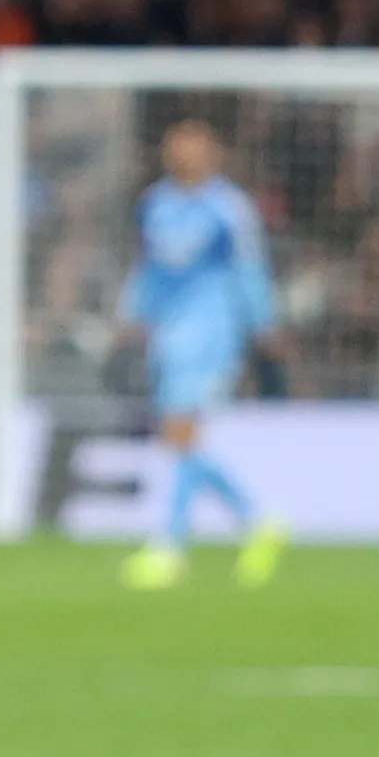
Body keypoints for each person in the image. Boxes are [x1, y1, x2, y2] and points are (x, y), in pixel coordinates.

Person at [119, 118, 286, 589]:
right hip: (169, 335)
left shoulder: (230, 208)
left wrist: (263, 323)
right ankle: (258, 523)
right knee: (181, 440)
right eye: (176, 146)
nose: (182, 155)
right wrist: (134, 313)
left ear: (212, 154)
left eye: (193, 147)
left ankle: (170, 549)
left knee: (181, 433)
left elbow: (250, 269)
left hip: (213, 332)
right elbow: (148, 267)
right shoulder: (155, 204)